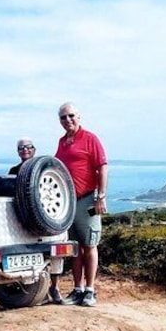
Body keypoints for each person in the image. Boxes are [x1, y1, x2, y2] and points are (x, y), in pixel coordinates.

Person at [50, 102, 108, 307]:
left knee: (90, 244)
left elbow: (102, 167)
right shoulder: (62, 142)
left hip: (87, 200)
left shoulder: (90, 138)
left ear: (79, 116)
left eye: (71, 116)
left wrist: (100, 196)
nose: (68, 120)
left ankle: (90, 290)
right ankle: (77, 289)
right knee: (75, 248)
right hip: (68, 203)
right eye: (63, 118)